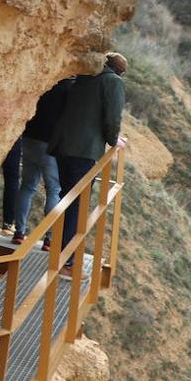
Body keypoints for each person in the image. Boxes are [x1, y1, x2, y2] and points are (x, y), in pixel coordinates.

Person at [47, 51, 126, 271]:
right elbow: (113, 117)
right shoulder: (113, 82)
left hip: (63, 145)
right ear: (120, 71)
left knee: (66, 197)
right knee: (78, 204)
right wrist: (113, 140)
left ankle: (57, 248)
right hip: (83, 150)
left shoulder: (84, 77)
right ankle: (67, 260)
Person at [11, 76, 75, 246]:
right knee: (54, 190)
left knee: (27, 186)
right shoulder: (70, 88)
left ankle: (19, 232)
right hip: (51, 145)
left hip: (30, 138)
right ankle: (49, 239)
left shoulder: (44, 79)